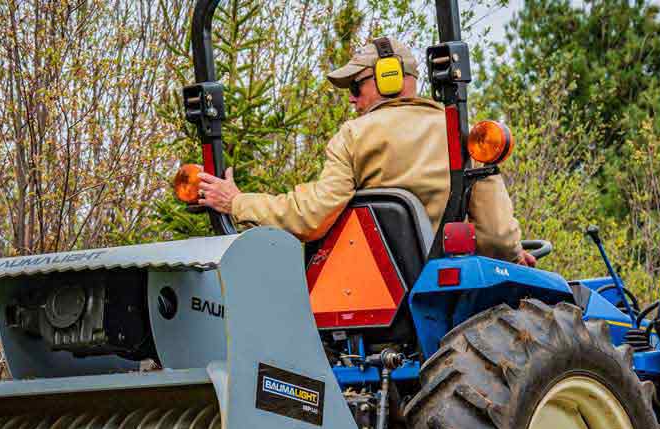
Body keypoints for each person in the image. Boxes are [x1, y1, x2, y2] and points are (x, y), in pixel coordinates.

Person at [197, 37, 530, 265]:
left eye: (357, 87)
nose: (352, 99)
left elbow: (312, 216)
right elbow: (498, 236)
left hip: (365, 297)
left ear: (390, 79)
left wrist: (237, 202)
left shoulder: (354, 136)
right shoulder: (463, 135)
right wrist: (515, 257)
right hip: (449, 300)